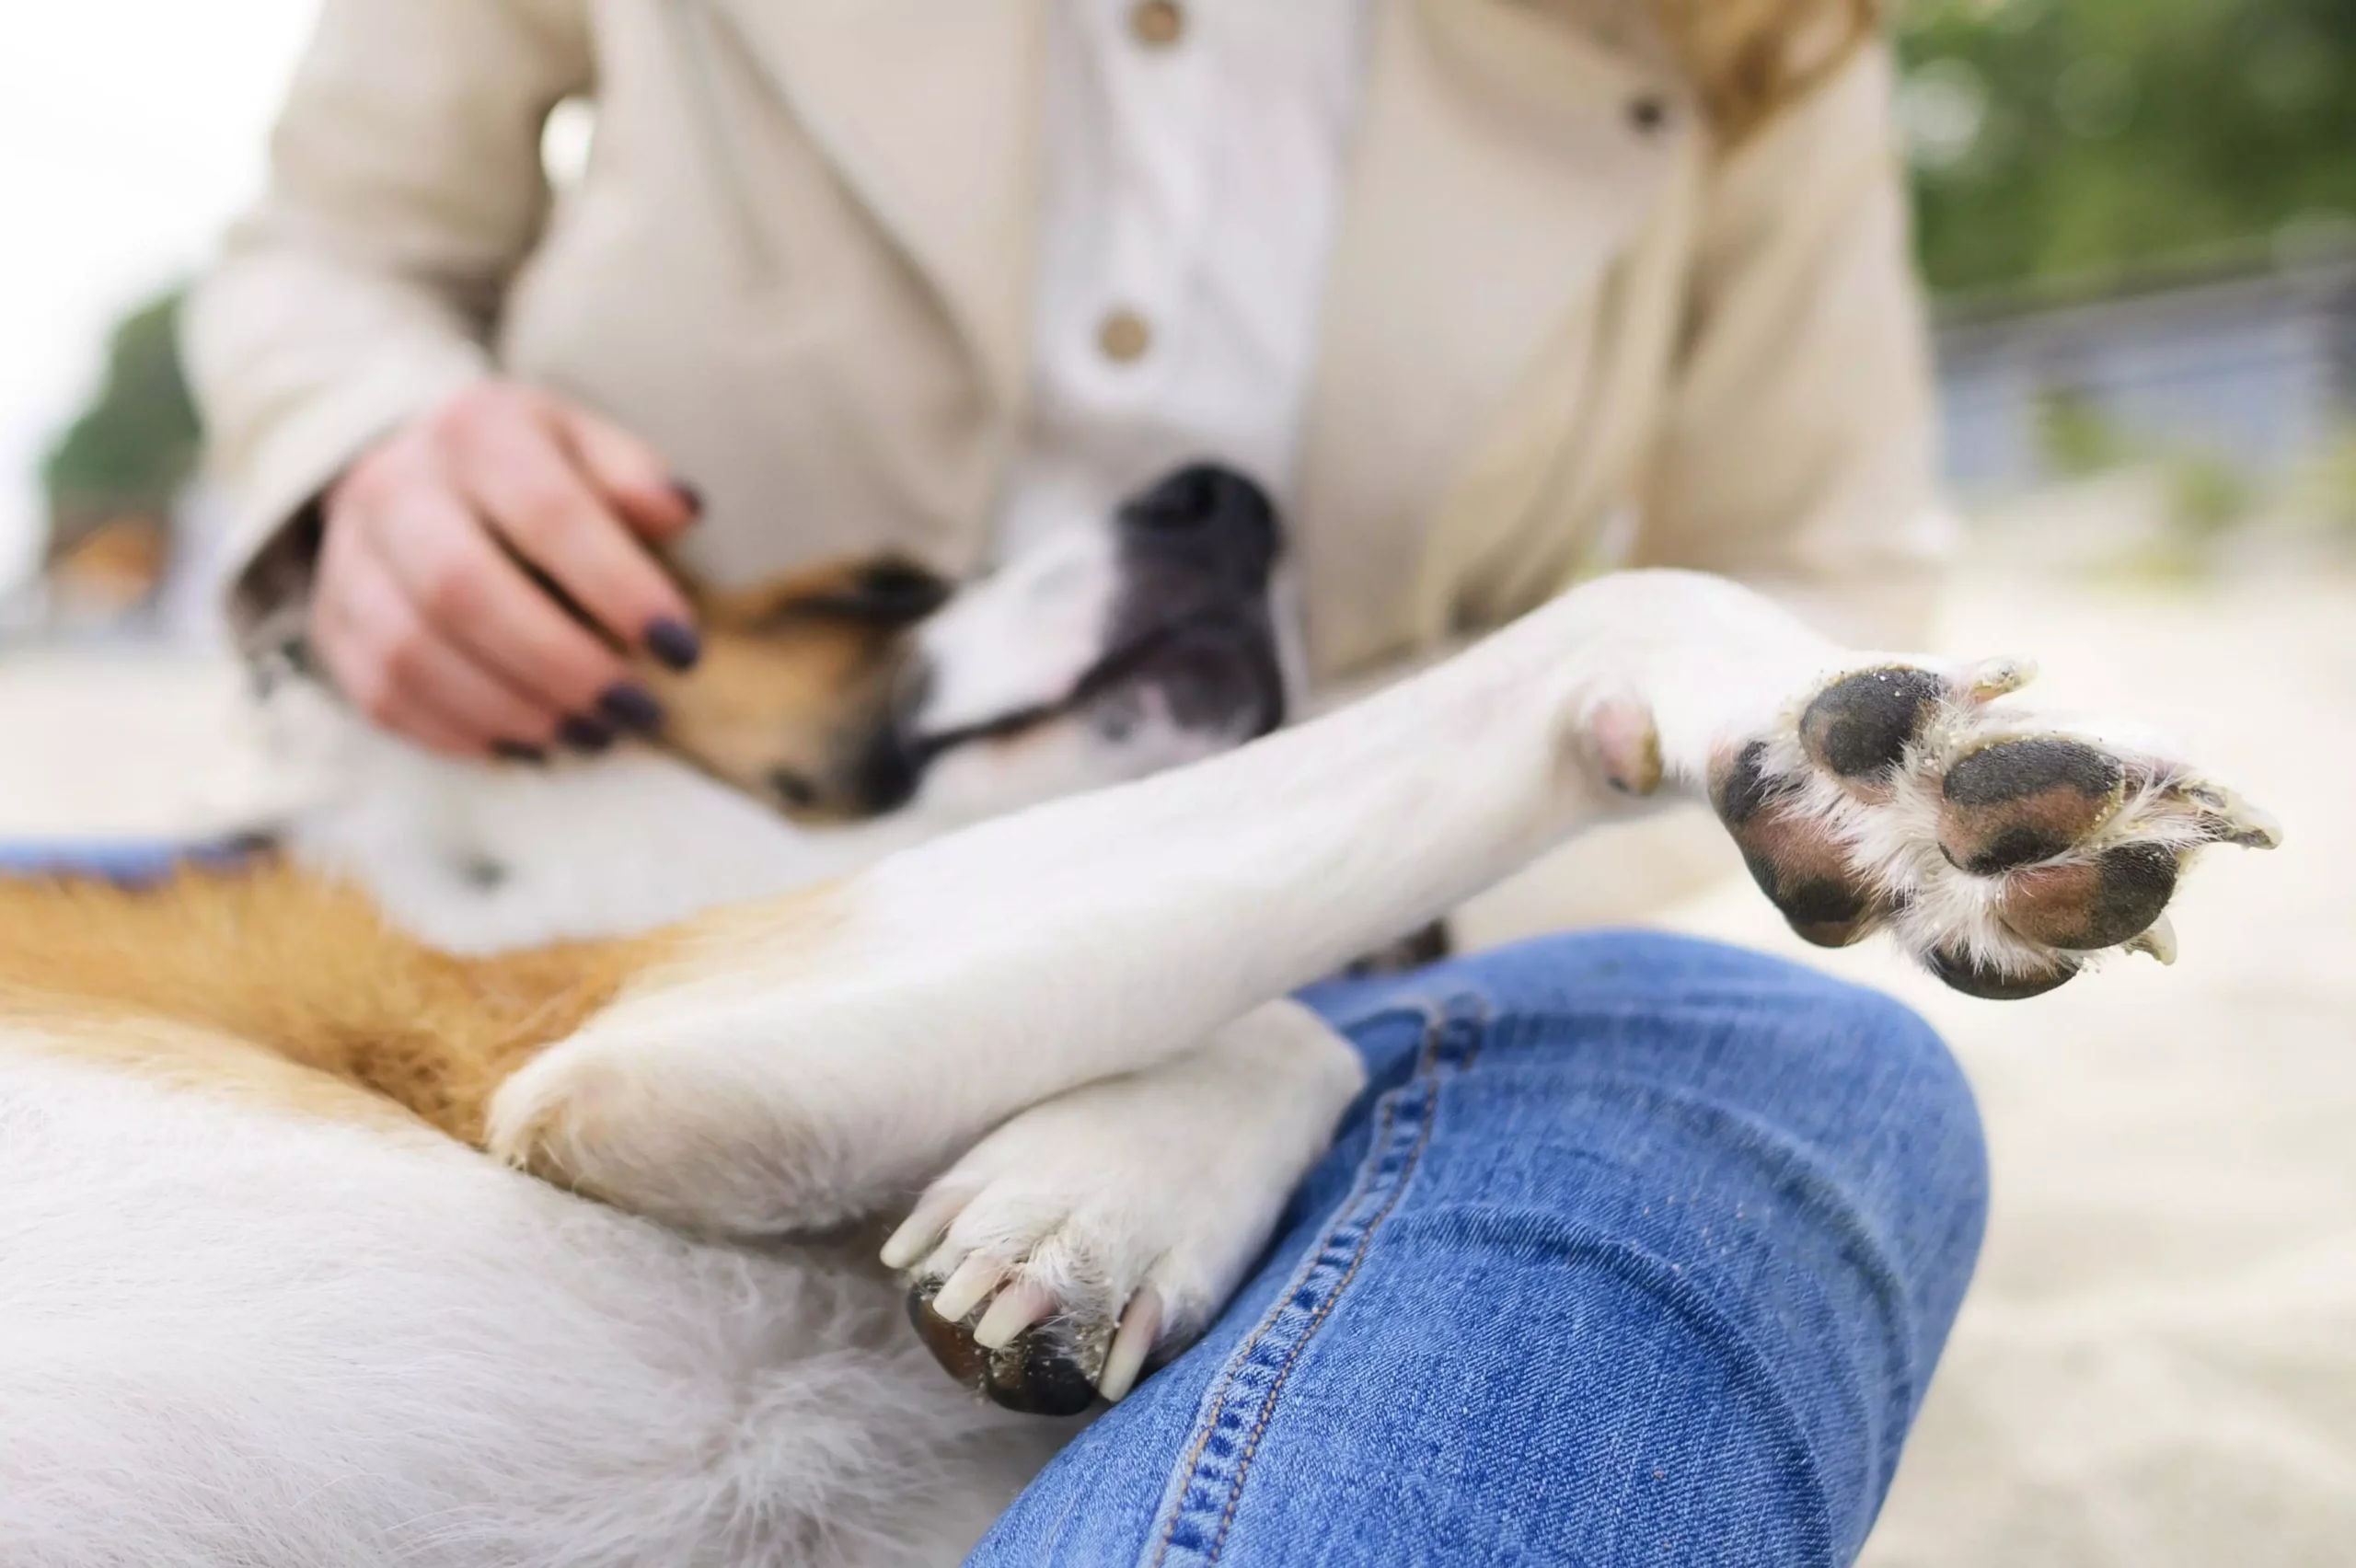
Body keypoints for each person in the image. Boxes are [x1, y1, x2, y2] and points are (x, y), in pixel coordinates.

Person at [185, 2, 1984, 1562]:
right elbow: (334, 251)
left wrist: (1348, 892)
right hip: (575, 862)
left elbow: (1814, 585)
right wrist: (376, 448)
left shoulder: (1750, 27)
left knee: (1803, 1068)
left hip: (1337, 928)